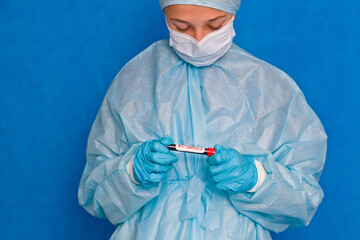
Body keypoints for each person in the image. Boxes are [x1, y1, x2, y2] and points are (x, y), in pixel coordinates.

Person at [78, 0, 327, 239]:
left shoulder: (269, 87)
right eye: (181, 26)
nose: (198, 40)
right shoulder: (135, 81)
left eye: (214, 25)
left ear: (232, 14)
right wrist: (133, 172)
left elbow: (303, 200)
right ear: (165, 16)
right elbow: (95, 198)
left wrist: (255, 178)